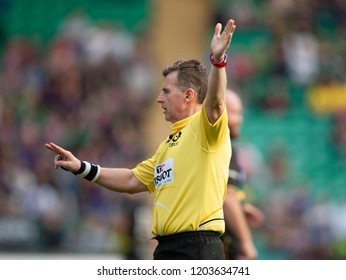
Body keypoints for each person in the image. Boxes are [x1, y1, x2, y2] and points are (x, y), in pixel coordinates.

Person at [45, 19, 237, 260]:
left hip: (197, 247)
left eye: (166, 91)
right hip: (168, 248)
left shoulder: (205, 128)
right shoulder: (168, 145)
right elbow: (132, 179)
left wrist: (218, 62)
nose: (159, 99)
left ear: (189, 95)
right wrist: (81, 167)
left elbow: (217, 103)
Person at [222, 89, 264, 259]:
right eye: (235, 113)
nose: (240, 119)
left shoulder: (223, 148)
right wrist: (247, 244)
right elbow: (227, 198)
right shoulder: (223, 149)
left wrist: (240, 208)